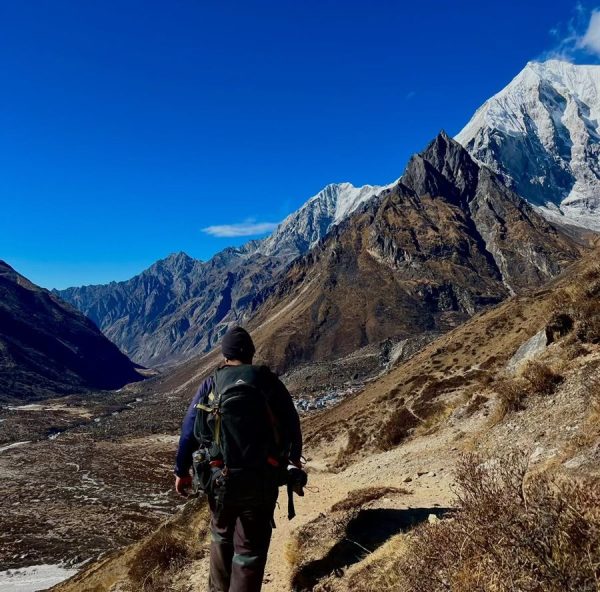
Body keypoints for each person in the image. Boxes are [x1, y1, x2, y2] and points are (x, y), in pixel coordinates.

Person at [174, 326, 303, 592]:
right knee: (251, 550)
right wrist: (293, 461)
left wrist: (181, 471)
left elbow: (189, 433)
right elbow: (292, 423)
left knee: (221, 537)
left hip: (220, 480)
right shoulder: (269, 382)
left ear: (224, 355)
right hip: (262, 481)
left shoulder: (211, 384)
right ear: (252, 353)